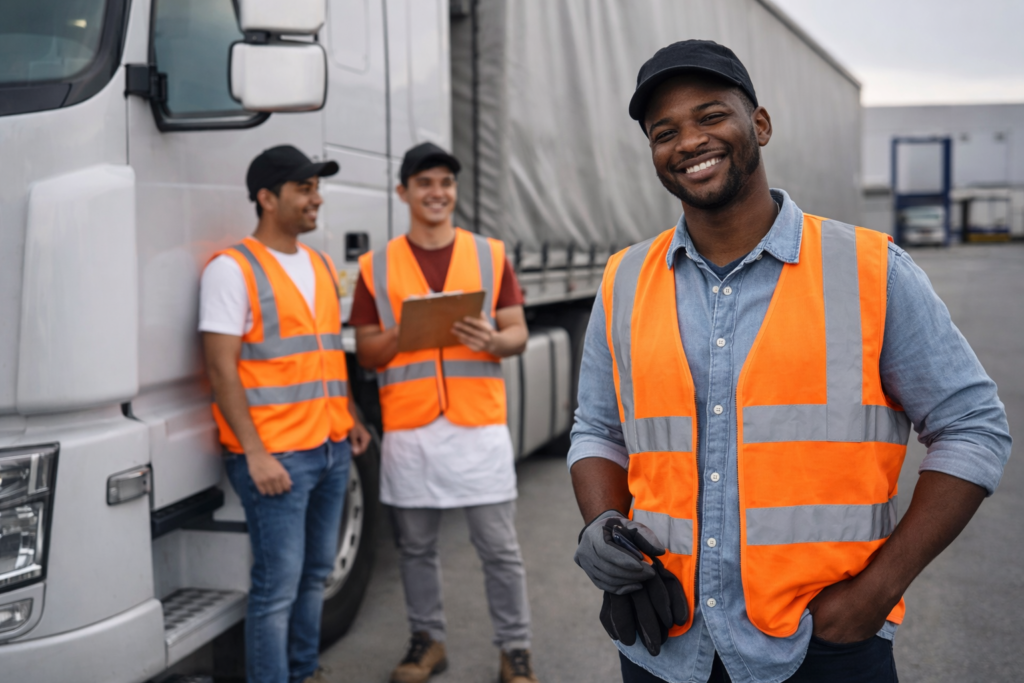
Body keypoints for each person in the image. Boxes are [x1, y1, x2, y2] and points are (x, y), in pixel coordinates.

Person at [568, 40, 1011, 683]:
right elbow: (598, 429)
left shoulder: (870, 271)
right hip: (664, 641)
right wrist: (602, 524)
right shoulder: (624, 280)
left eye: (711, 116)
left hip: (822, 644)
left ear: (760, 125)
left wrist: (876, 593)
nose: (689, 141)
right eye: (665, 132)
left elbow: (972, 428)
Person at [349, 142, 539, 683]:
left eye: (446, 183)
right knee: (415, 549)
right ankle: (427, 640)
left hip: (478, 428)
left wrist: (493, 340)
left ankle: (515, 649)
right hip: (410, 431)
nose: (438, 193)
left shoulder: (490, 255)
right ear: (403, 192)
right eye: (425, 183)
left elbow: (518, 333)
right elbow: (366, 352)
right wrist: (403, 332)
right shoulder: (376, 267)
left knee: (499, 549)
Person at [200, 145, 371, 683]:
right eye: (304, 188)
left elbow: (326, 354)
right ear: (267, 198)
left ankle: (303, 671)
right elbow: (221, 370)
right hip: (276, 459)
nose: (316, 198)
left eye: (317, 188)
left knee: (316, 573)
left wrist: (350, 417)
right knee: (276, 588)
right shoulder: (232, 270)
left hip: (331, 447)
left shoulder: (320, 265)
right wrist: (254, 454)